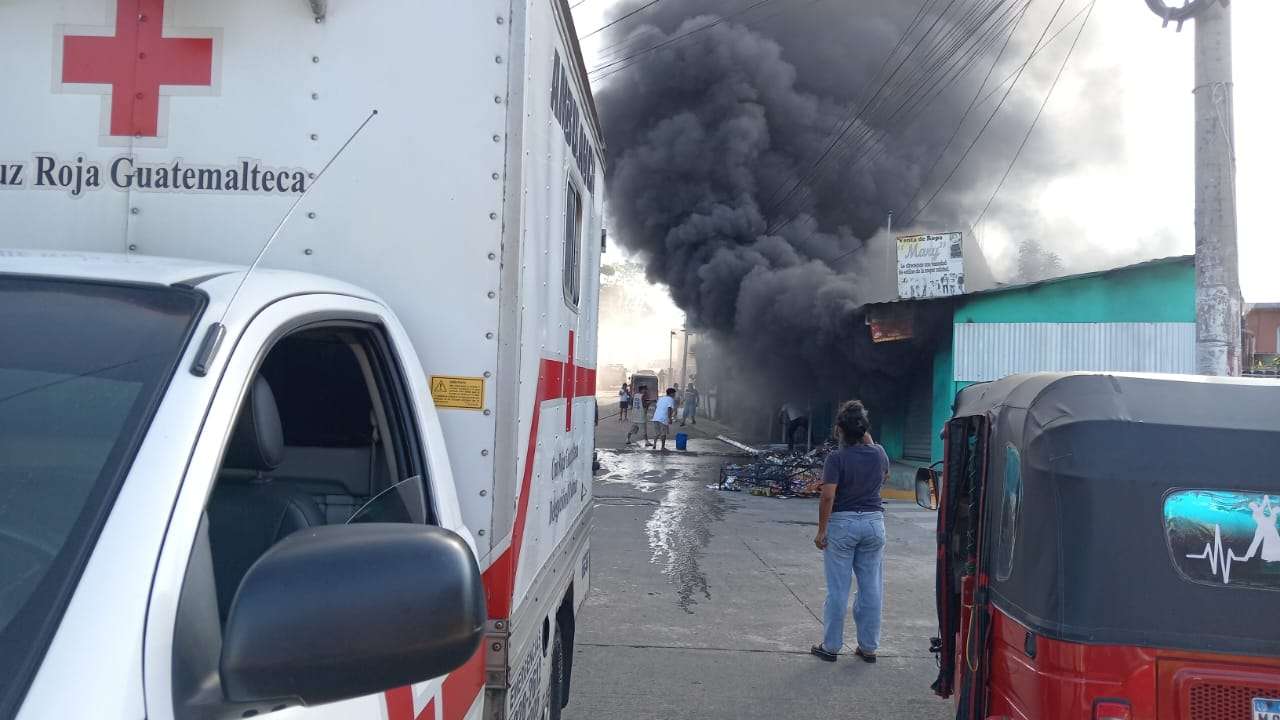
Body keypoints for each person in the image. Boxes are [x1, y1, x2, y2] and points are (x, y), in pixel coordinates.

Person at [810, 399, 888, 665]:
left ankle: (831, 647)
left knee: (838, 589)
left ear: (840, 430)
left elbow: (828, 497)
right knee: (871, 588)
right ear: (864, 430)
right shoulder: (879, 453)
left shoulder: (837, 458)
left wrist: (822, 530)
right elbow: (883, 475)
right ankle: (868, 648)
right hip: (874, 524)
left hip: (843, 525)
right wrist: (860, 430)